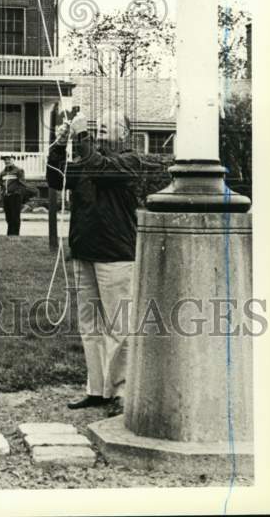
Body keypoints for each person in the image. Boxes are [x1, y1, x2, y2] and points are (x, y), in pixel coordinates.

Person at [46, 108, 164, 415]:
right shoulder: (88, 161)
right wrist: (60, 144)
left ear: (124, 133)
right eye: (97, 126)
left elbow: (100, 168)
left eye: (107, 125)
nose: (100, 129)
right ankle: (97, 389)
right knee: (90, 326)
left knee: (118, 325)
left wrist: (81, 136)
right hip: (85, 252)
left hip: (115, 256)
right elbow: (55, 178)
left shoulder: (129, 161)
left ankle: (120, 391)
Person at [0, 155, 35, 236]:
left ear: (13, 160)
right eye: (5, 160)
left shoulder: (18, 171)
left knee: (15, 216)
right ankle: (9, 234)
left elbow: (22, 183)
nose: (7, 161)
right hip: (6, 196)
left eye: (9, 160)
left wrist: (19, 193)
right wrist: (2, 193)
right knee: (8, 217)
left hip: (15, 196)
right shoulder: (2, 173)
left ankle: (15, 234)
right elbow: (1, 184)